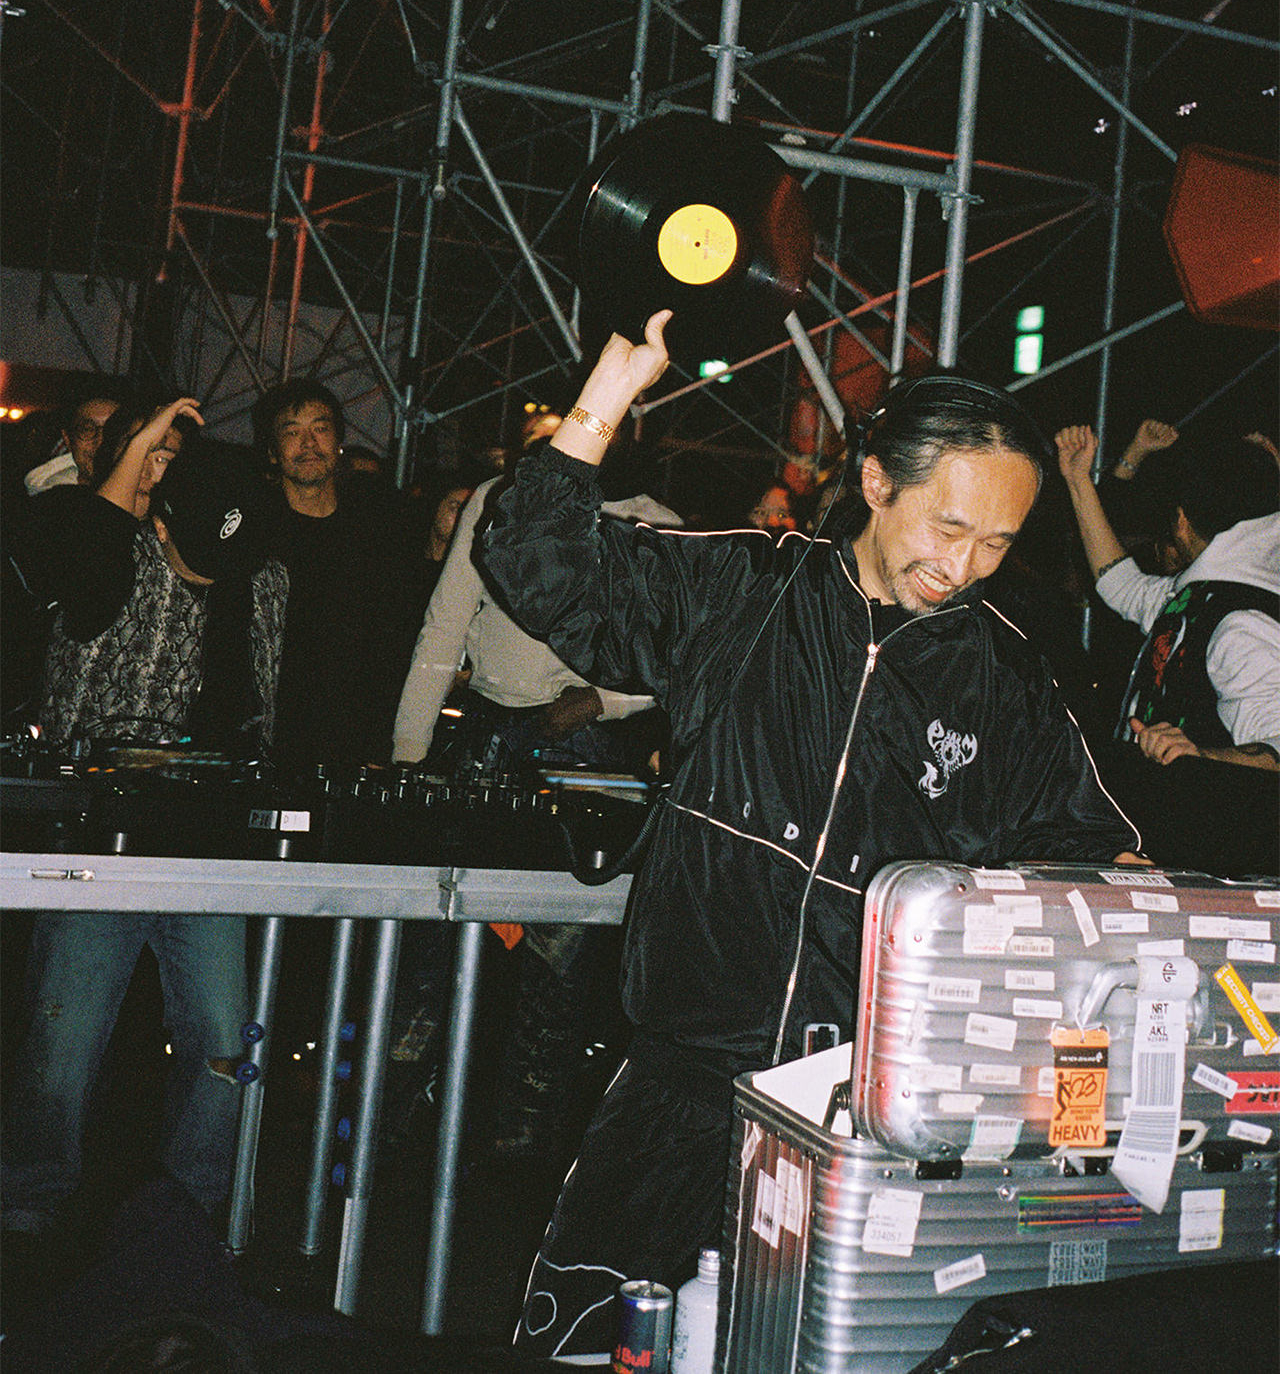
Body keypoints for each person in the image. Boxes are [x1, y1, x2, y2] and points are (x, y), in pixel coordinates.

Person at [479, 311, 1140, 1359]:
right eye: (948, 526)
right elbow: (534, 560)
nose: (964, 564)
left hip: (868, 1117)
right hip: (684, 1088)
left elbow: (1088, 866)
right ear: (877, 481)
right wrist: (607, 393)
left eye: (998, 543)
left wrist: (1135, 907)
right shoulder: (746, 589)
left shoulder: (1007, 684)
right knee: (606, 1341)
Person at [2, 410, 288, 1242]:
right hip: (103, 841)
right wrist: (144, 448)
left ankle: (193, 1209)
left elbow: (266, 702)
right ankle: (29, 1197)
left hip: (209, 845)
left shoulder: (258, 576)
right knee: (64, 1035)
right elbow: (87, 540)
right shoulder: (110, 553)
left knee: (225, 1040)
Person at [1055, 422, 1280, 771]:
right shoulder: (1206, 597)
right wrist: (1077, 480)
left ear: (1181, 523)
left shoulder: (1241, 625)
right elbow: (1120, 584)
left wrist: (1204, 756)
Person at [252, 378, 426, 781]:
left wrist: (382, 744)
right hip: (266, 743)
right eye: (292, 432)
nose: (308, 443)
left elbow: (390, 646)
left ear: (340, 444)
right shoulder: (256, 533)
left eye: (320, 428)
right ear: (273, 452)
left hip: (351, 745)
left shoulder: (374, 535)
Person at [22, 375, 132, 497]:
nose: (100, 441)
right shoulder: (52, 499)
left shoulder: (144, 493)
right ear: (68, 440)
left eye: (113, 430)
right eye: (88, 430)